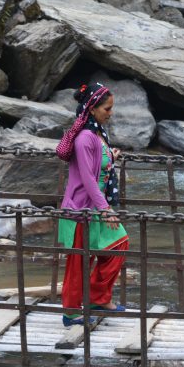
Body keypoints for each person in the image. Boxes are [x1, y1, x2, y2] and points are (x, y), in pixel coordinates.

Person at [58, 83, 129, 327]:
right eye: (107, 109)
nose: (111, 113)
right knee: (79, 262)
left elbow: (99, 164)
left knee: (119, 244)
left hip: (94, 207)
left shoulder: (98, 133)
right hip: (80, 209)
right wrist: (106, 210)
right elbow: (88, 178)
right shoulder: (85, 138)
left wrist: (111, 156)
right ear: (93, 108)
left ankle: (97, 298)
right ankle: (70, 312)